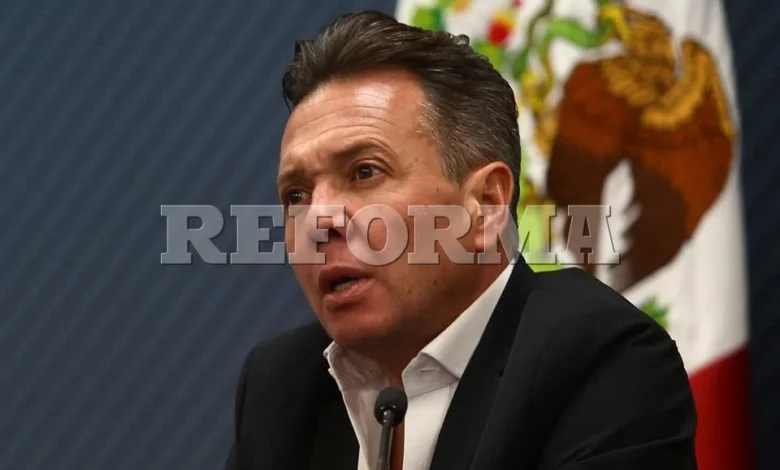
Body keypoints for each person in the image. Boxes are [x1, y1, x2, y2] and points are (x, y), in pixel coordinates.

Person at [224, 10, 697, 470]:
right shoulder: (283, 386)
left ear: (486, 205)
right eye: (296, 195)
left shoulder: (600, 358)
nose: (318, 220)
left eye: (365, 172)